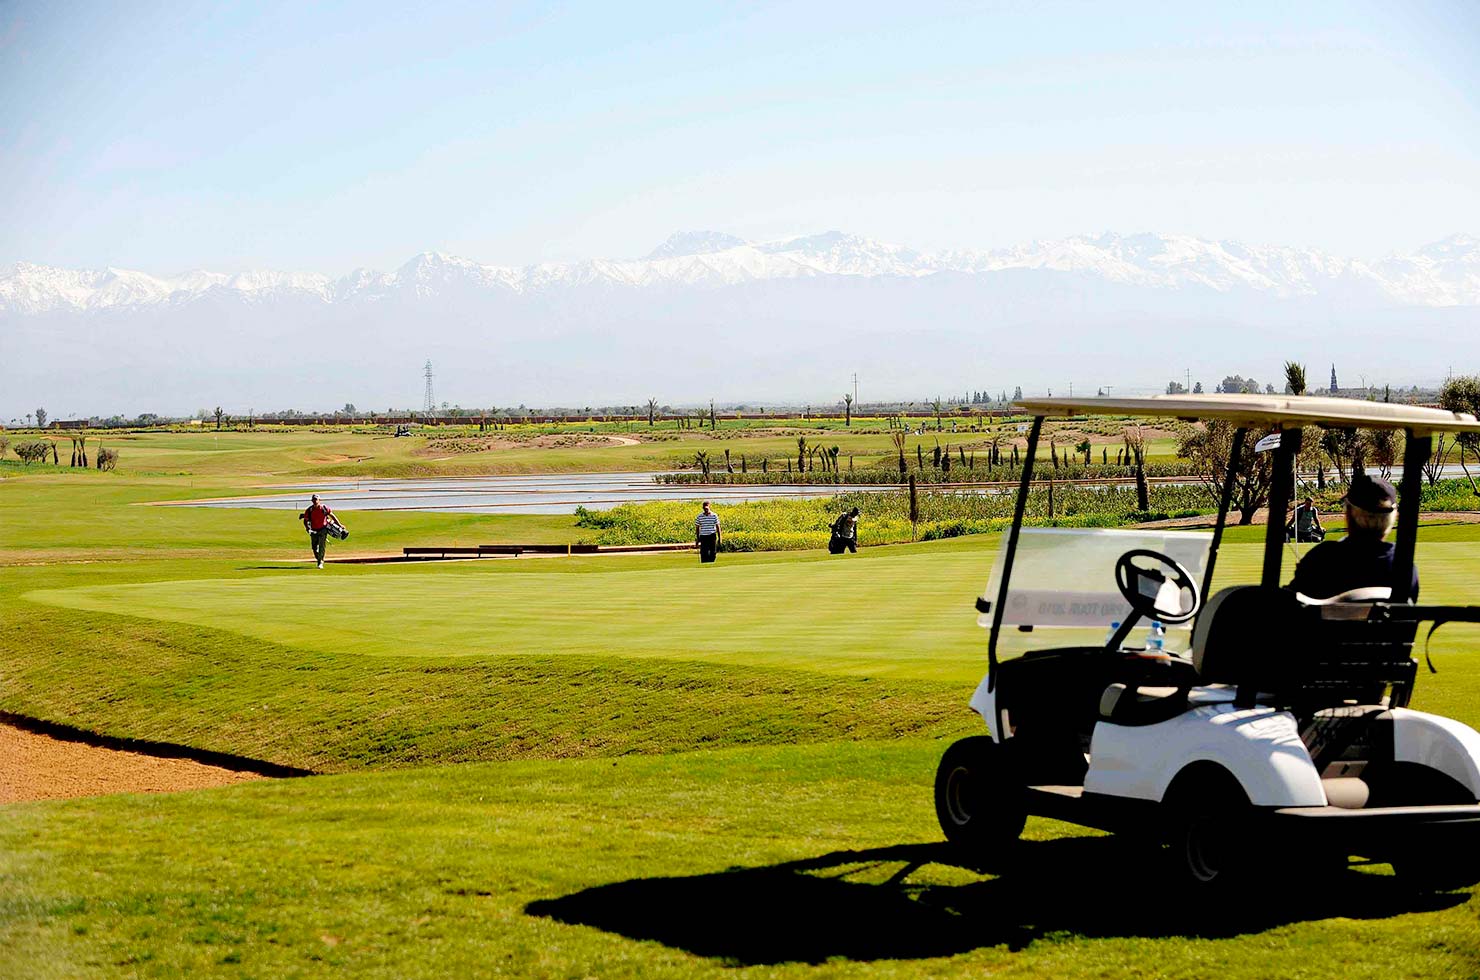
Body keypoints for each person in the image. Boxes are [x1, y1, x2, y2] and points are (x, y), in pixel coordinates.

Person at [1288, 475, 1418, 600]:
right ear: (1391, 519)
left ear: (1349, 514)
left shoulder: (1322, 558)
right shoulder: (1404, 564)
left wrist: (1306, 569)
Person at [300, 493, 334, 569]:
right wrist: (307, 528)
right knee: (314, 547)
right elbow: (305, 520)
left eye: (316, 499)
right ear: (312, 500)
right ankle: (319, 559)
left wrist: (340, 525)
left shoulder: (324, 508)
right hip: (314, 530)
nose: (315, 501)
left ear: (319, 500)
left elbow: (332, 516)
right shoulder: (309, 510)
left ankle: (320, 562)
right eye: (314, 500)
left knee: (322, 546)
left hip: (323, 529)